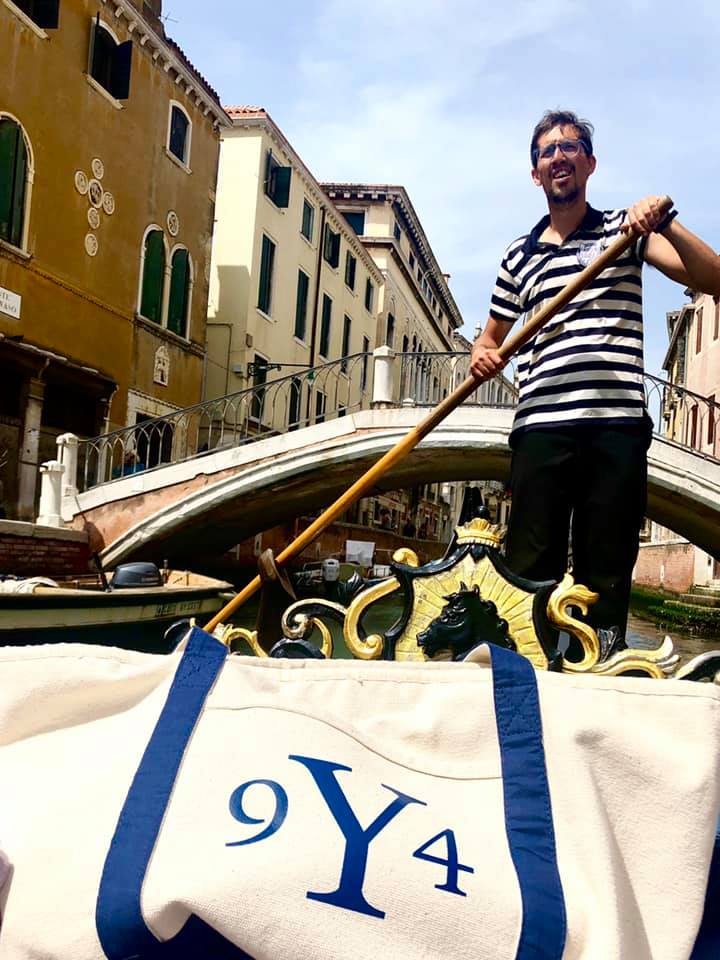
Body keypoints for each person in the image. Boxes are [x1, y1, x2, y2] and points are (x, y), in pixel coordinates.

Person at [471, 109, 720, 645]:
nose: (558, 156)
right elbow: (488, 340)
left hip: (615, 428)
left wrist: (665, 220)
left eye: (570, 146)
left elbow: (714, 277)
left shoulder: (623, 233)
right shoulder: (517, 257)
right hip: (540, 428)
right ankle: (526, 685)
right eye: (547, 151)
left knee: (604, 575)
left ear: (589, 162)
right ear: (535, 174)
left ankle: (600, 685)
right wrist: (483, 354)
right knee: (528, 572)